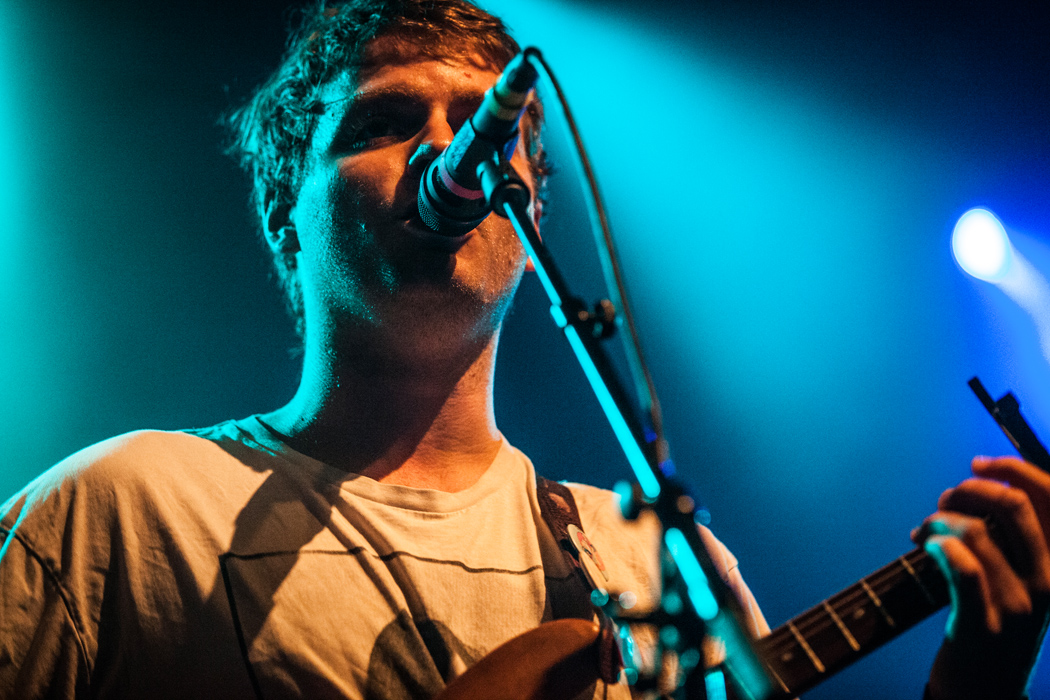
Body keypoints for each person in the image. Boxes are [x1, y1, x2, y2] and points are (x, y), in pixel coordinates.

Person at [0, 1, 1047, 699]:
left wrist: (977, 676)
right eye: (385, 120)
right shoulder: (122, 513)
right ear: (286, 215)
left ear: (531, 207)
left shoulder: (653, 562)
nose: (448, 150)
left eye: (484, 130)